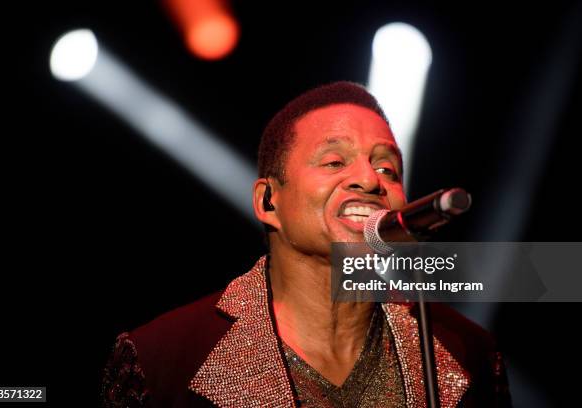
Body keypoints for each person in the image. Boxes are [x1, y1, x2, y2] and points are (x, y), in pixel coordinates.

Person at [102, 81, 511, 407]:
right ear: (268, 201)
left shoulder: (468, 350)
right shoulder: (161, 359)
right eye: (334, 162)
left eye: (387, 168)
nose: (370, 180)